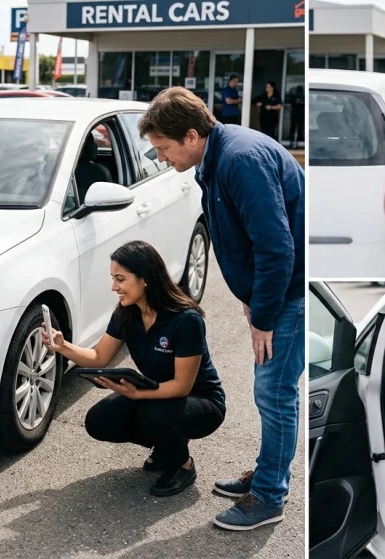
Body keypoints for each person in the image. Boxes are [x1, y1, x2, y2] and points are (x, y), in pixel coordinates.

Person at [137, 87, 304, 531]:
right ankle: (269, 474)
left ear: (191, 135)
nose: (162, 158)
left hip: (289, 295)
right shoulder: (217, 158)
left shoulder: (239, 160)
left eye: (164, 148)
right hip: (275, 294)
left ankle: (269, 496)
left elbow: (275, 247)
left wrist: (264, 314)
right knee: (272, 392)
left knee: (275, 394)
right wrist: (252, 300)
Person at [42, 240, 226, 498]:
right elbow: (98, 356)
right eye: (113, 278)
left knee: (151, 415)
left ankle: (183, 465)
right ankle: (166, 444)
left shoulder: (186, 320)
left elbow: (182, 386)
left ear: (145, 279)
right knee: (98, 421)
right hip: (156, 395)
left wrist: (138, 395)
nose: (113, 287)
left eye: (120, 279)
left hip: (201, 402)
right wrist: (63, 347)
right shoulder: (126, 312)